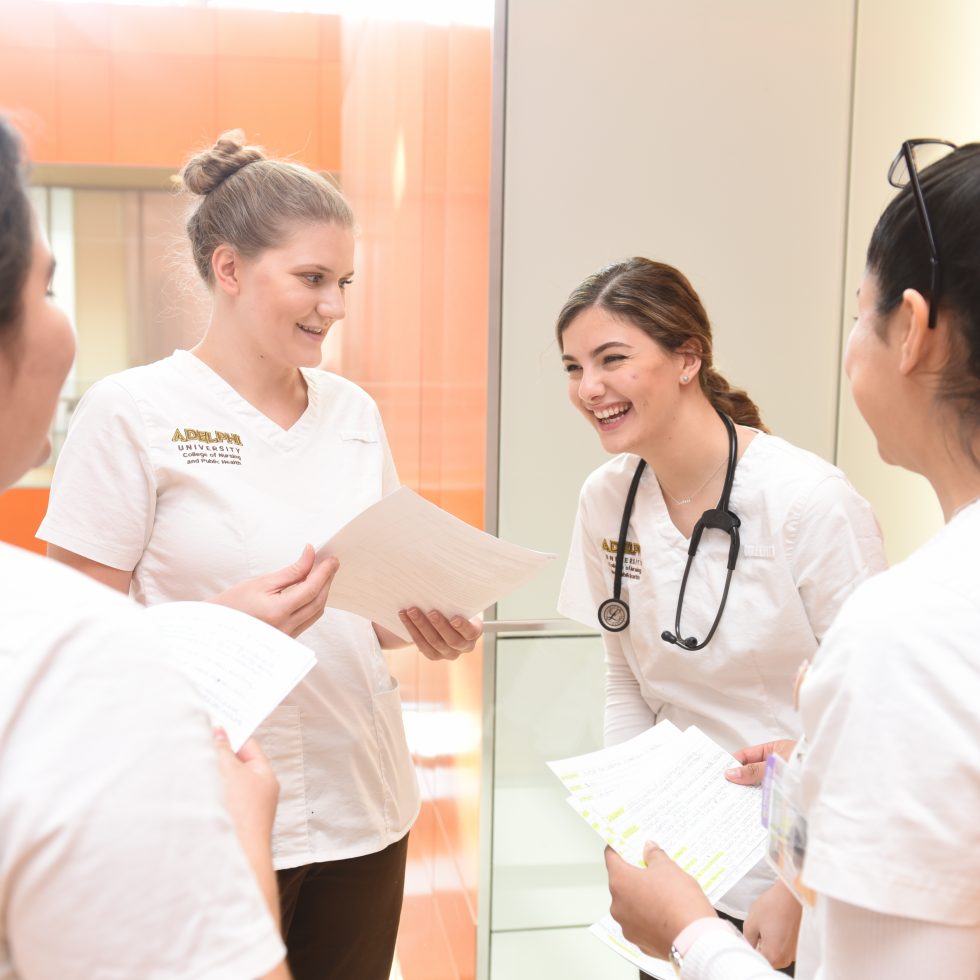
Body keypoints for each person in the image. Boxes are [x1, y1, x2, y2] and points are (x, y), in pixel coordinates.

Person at [37, 130, 482, 980]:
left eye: (344, 281)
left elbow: (363, 608)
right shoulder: (131, 412)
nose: (336, 305)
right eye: (313, 279)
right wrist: (218, 625)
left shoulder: (352, 411)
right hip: (213, 809)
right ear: (231, 269)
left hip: (366, 804)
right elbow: (73, 646)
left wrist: (423, 621)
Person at [604, 140, 980, 978]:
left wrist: (687, 934)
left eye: (859, 311)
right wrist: (825, 773)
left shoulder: (908, 629)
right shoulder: (609, 494)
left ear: (912, 330)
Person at [0, 115, 288, 978]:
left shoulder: (352, 412)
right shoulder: (67, 654)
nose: (332, 303)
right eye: (47, 291)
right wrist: (240, 853)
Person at [556, 257, 887, 971]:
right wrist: (630, 837)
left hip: (794, 880)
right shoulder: (605, 498)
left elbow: (870, 715)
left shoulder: (808, 503)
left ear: (687, 358)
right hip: (676, 873)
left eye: (612, 359)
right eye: (574, 367)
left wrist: (799, 887)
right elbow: (626, 681)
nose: (590, 389)